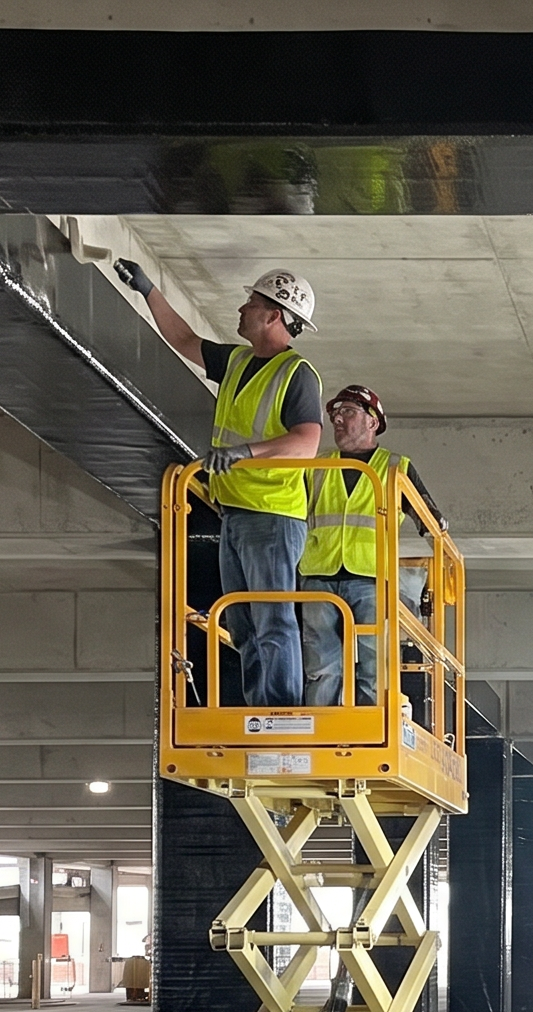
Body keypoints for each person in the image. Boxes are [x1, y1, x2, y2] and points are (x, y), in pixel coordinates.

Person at [117, 259, 323, 707]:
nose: (242, 307)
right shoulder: (236, 361)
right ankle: (259, 713)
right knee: (244, 624)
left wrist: (245, 453)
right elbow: (185, 340)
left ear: (274, 315)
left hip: (271, 515)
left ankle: (280, 713)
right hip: (235, 511)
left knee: (271, 620)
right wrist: (149, 290)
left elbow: (306, 443)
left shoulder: (296, 373)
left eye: (252, 302)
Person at [309, 384, 442, 708]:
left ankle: (372, 732)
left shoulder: (396, 466)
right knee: (321, 665)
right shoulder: (316, 465)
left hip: (370, 578)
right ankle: (318, 732)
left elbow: (430, 519)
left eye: (348, 412)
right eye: (335, 414)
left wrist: (436, 528)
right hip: (317, 576)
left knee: (375, 666)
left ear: (373, 422)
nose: (338, 420)